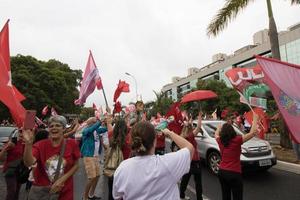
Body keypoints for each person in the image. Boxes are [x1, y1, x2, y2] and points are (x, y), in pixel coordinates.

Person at [113, 121, 194, 200]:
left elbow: (117, 196)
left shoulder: (122, 169)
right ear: (155, 142)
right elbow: (190, 148)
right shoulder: (167, 164)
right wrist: (169, 133)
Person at [23, 115, 81, 200]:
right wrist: (28, 144)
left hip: (65, 193)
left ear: (64, 129)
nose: (54, 128)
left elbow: (76, 165)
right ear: (48, 129)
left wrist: (62, 179)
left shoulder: (72, 144)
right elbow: (29, 162)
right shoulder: (40, 145)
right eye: (51, 126)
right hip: (44, 193)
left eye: (58, 125)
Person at [215, 112, 259, 200]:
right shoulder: (237, 140)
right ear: (232, 131)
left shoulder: (220, 140)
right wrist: (255, 120)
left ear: (222, 133)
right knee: (237, 197)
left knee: (225, 196)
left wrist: (218, 128)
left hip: (222, 172)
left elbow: (215, 134)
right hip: (234, 173)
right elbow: (253, 133)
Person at [81, 117, 108, 200]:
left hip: (95, 156)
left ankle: (91, 195)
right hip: (88, 156)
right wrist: (99, 122)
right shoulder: (86, 130)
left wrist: (107, 122)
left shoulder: (96, 130)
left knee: (97, 176)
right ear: (89, 122)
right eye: (94, 121)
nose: (95, 122)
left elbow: (105, 129)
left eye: (95, 121)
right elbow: (91, 129)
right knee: (92, 177)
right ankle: (84, 197)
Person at [179, 112, 203, 200]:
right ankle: (199, 198)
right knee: (198, 182)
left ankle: (181, 196)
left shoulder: (182, 136)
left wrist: (190, 119)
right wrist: (199, 117)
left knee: (184, 180)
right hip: (195, 161)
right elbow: (199, 127)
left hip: (186, 161)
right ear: (190, 128)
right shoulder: (191, 136)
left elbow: (189, 126)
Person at [107, 118, 131, 200]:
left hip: (113, 168)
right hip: (125, 169)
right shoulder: (128, 137)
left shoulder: (110, 134)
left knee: (111, 191)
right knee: (124, 193)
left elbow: (110, 127)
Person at [0, 129, 24, 200]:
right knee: (11, 192)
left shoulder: (27, 144)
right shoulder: (12, 143)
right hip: (10, 170)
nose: (22, 134)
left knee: (17, 191)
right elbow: (1, 159)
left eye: (24, 131)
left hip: (20, 170)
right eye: (20, 131)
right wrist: (6, 148)